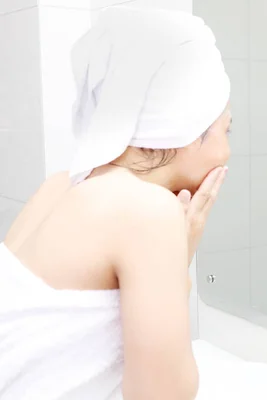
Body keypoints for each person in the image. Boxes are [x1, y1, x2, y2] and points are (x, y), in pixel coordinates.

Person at [0, 7, 230, 400]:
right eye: (227, 129)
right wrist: (178, 252)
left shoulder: (58, 188)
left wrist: (177, 254)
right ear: (188, 131)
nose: (228, 152)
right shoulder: (148, 214)